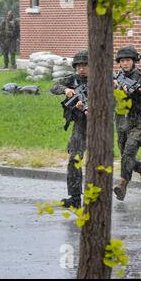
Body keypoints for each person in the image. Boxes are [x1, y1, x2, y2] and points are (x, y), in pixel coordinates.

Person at [113, 45, 141, 201]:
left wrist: (132, 92)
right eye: (122, 61)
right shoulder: (116, 77)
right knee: (125, 156)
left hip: (137, 122)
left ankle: (122, 184)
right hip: (121, 121)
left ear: (134, 61)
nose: (125, 63)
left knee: (128, 153)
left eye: (128, 60)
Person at [50, 50, 89, 208]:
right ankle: (74, 198)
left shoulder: (99, 80)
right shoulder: (72, 79)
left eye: (85, 65)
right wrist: (66, 90)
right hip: (79, 124)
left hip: (98, 126)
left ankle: (98, 197)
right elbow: (54, 87)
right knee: (74, 158)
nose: (81, 69)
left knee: (97, 163)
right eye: (78, 65)